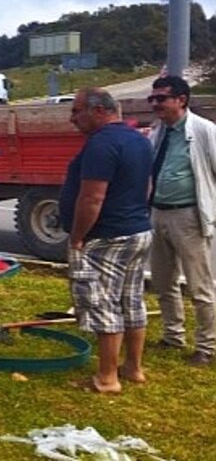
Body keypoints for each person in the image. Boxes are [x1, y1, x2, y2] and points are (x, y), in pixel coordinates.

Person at [59, 88, 153, 393]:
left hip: (107, 237)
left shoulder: (101, 144)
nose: (72, 119)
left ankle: (107, 378)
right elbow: (147, 186)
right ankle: (133, 368)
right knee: (132, 300)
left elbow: (91, 198)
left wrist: (77, 237)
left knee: (104, 304)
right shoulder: (138, 139)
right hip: (137, 230)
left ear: (99, 111)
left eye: (77, 111)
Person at [147, 75, 216, 367]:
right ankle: (173, 335)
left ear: (181, 100)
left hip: (188, 215)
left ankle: (207, 346)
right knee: (164, 281)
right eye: (152, 99)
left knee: (200, 286)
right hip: (158, 212)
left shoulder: (204, 131)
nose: (155, 104)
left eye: (161, 98)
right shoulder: (158, 131)